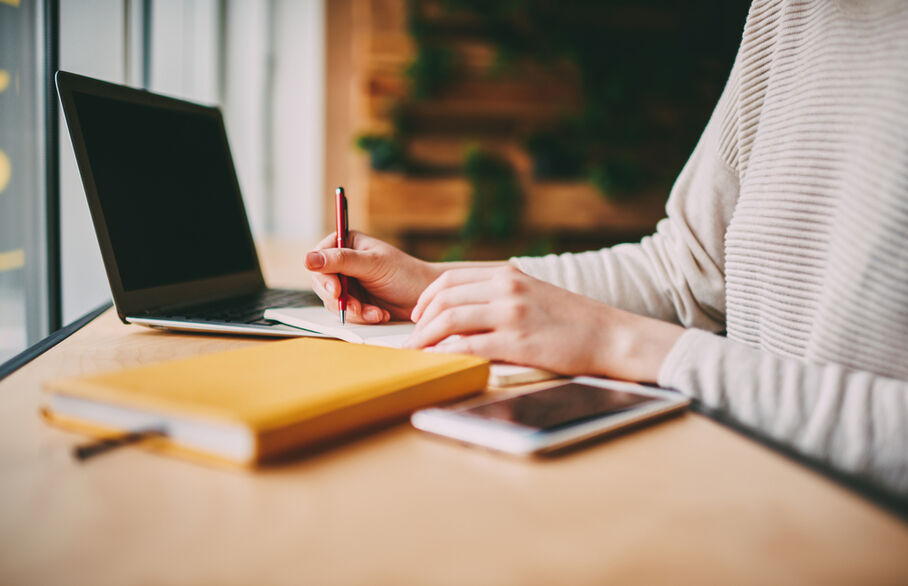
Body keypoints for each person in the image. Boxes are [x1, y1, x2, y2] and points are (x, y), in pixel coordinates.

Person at [305, 0, 908, 497]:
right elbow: (686, 268)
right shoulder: (792, 11)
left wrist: (617, 342)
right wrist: (433, 282)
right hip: (738, 482)